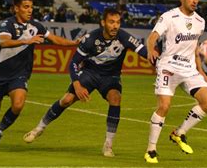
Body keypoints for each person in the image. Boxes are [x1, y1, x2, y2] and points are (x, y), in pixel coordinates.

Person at [23, 8, 148, 157]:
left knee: (115, 98)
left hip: (111, 76)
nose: (115, 26)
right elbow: (74, 63)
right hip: (90, 74)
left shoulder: (125, 37)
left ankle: (108, 145)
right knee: (67, 100)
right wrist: (77, 84)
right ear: (103, 23)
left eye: (118, 22)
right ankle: (39, 128)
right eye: (111, 22)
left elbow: (145, 52)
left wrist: (161, 61)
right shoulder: (90, 39)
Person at [0, 0, 78, 151]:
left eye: (31, 7)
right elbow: (4, 41)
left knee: (18, 104)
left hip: (19, 75)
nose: (30, 10)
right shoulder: (8, 23)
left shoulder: (36, 26)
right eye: (26, 7)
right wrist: (26, 40)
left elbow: (55, 39)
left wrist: (73, 43)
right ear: (16, 8)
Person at [144, 0, 207, 164]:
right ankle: (151, 150)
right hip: (168, 66)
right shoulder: (169, 17)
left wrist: (200, 70)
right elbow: (152, 37)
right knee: (164, 106)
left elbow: (194, 48)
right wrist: (151, 49)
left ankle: (179, 133)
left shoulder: (200, 21)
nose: (195, 1)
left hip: (190, 69)